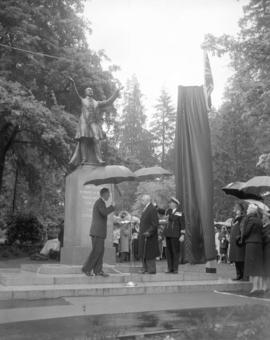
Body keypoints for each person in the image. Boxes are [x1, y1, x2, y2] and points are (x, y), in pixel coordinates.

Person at [68, 77, 122, 165]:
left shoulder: (97, 103)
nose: (91, 91)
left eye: (91, 90)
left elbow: (108, 102)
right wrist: (73, 84)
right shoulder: (82, 100)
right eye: (89, 90)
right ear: (85, 92)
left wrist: (116, 93)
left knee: (96, 139)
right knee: (84, 139)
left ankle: (99, 158)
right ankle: (84, 159)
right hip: (84, 122)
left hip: (93, 122)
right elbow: (75, 94)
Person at [82, 188, 115, 277]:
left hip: (99, 233)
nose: (109, 196)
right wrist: (112, 207)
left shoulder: (101, 202)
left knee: (100, 252)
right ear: (104, 194)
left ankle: (98, 270)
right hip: (97, 232)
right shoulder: (99, 202)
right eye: (108, 194)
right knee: (96, 251)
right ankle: (86, 269)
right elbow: (104, 212)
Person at [242, 203, 264, 294]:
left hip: (251, 244)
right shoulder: (259, 220)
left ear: (251, 210)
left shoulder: (250, 220)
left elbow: (246, 232)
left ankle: (255, 287)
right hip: (258, 244)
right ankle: (259, 286)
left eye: (247, 209)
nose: (246, 211)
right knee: (257, 266)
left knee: (252, 266)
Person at [138, 194, 159, 274]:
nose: (141, 201)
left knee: (149, 253)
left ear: (147, 200)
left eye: (142, 200)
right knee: (144, 252)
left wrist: (149, 232)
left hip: (149, 236)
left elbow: (155, 223)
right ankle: (145, 268)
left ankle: (151, 269)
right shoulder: (146, 208)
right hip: (143, 235)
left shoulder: (152, 209)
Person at [163, 197, 185, 274]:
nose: (169, 204)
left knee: (175, 252)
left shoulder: (179, 212)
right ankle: (170, 268)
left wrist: (182, 235)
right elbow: (166, 220)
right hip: (168, 234)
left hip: (175, 235)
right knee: (168, 252)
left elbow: (182, 224)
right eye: (169, 203)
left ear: (175, 204)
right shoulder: (168, 211)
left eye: (171, 203)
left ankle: (175, 268)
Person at [229, 203, 246, 281]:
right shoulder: (234, 219)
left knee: (240, 258)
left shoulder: (242, 218)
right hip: (233, 242)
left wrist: (241, 238)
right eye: (236, 208)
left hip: (239, 241)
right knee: (235, 258)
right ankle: (238, 275)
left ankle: (243, 275)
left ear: (241, 210)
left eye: (237, 208)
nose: (235, 209)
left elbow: (242, 230)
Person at [262, 211, 270, 292]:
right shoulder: (263, 227)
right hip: (263, 249)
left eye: (264, 216)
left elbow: (267, 238)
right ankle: (265, 286)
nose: (263, 218)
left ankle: (267, 286)